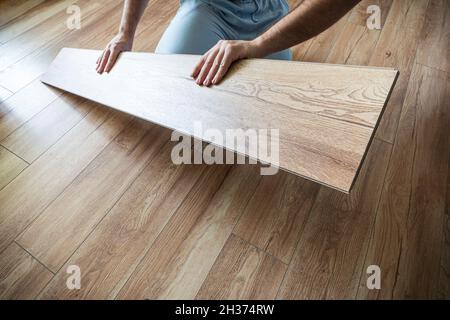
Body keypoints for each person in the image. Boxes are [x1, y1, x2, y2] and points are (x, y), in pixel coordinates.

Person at [96, 0, 360, 86]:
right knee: (171, 81)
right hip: (210, 7)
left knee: (271, 91)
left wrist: (257, 45)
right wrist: (125, 33)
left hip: (266, 9)